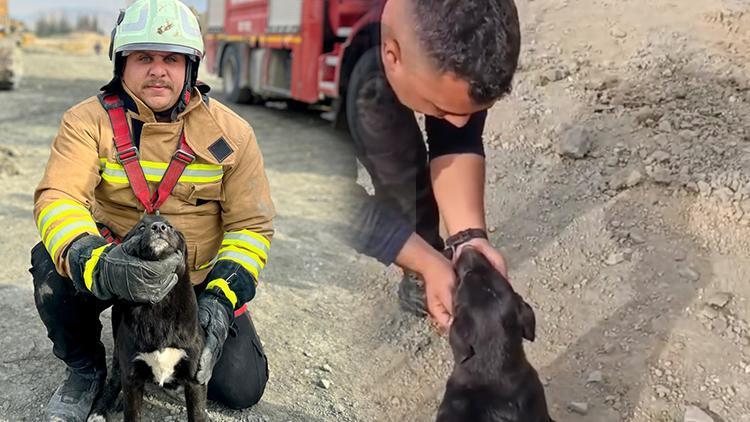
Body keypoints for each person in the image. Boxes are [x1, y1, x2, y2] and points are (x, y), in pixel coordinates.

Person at [29, 0, 275, 419]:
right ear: (121, 64)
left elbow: (250, 226)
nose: (158, 70)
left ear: (190, 68)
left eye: (171, 59)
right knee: (52, 266)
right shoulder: (86, 122)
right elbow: (59, 198)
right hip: (114, 269)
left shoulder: (233, 134)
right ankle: (87, 370)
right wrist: (99, 262)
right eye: (144, 57)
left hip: (194, 285)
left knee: (240, 387)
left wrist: (220, 298)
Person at [345, 0, 521, 330]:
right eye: (442, 108)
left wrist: (469, 238)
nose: (460, 123)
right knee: (400, 168)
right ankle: (421, 258)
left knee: (453, 102)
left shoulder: (460, 21)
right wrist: (424, 260)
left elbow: (457, 132)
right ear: (392, 56)